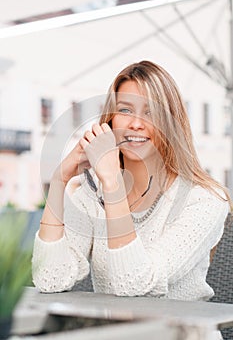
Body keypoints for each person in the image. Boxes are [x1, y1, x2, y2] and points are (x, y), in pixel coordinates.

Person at [32, 61, 230, 302]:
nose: (136, 123)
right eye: (125, 110)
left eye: (150, 112)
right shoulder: (93, 194)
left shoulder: (204, 200)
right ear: (111, 121)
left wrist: (113, 183)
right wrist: (59, 179)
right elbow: (49, 278)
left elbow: (136, 284)